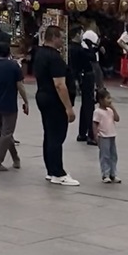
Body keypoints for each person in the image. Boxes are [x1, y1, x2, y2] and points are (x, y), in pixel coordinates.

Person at [32, 27, 79, 186]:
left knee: (49, 134)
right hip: (54, 99)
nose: (62, 41)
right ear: (53, 37)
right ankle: (58, 172)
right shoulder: (54, 58)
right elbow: (60, 84)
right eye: (61, 38)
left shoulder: (39, 53)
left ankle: (51, 169)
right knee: (57, 136)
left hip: (42, 96)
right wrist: (68, 108)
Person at [0, 40, 29, 171]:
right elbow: (20, 85)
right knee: (7, 133)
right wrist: (25, 101)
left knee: (5, 133)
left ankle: (16, 158)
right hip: (9, 104)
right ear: (9, 52)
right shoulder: (14, 66)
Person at [93, 86, 120, 183]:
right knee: (105, 155)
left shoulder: (110, 111)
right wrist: (96, 136)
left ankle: (113, 173)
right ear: (100, 100)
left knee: (113, 155)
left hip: (112, 135)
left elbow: (117, 118)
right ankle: (105, 174)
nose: (110, 100)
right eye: (107, 98)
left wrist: (113, 108)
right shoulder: (98, 112)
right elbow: (95, 124)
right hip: (103, 136)